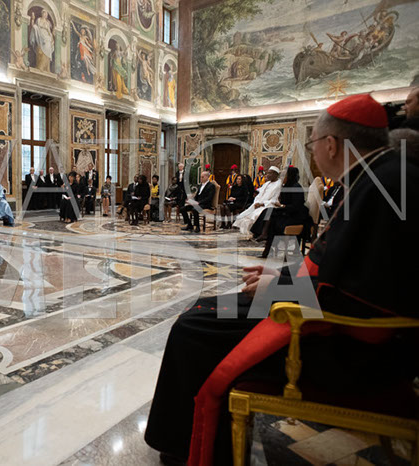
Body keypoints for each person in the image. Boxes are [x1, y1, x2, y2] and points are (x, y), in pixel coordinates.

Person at [144, 93, 419, 466]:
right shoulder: (378, 176)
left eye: (312, 144)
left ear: (331, 145)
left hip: (348, 347)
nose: (313, 153)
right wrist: (280, 274)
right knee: (204, 308)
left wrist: (278, 287)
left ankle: (184, 448)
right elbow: (335, 266)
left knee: (194, 325)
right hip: (328, 317)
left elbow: (360, 293)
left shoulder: (385, 183)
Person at [250, 166, 308, 257]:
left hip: (296, 216)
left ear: (290, 176)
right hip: (288, 212)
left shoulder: (296, 187)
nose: (281, 178)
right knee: (269, 211)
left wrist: (281, 206)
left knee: (272, 221)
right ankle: (263, 235)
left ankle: (265, 241)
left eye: (284, 175)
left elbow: (296, 206)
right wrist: (280, 204)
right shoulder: (286, 186)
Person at [233, 166, 282, 236]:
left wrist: (262, 204)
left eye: (270, 173)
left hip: (268, 205)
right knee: (245, 216)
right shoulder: (267, 183)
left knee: (255, 215)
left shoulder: (278, 184)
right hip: (258, 204)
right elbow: (259, 195)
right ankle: (252, 233)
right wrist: (256, 202)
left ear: (275, 174)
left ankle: (259, 233)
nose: (267, 175)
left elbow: (275, 199)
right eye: (267, 173)